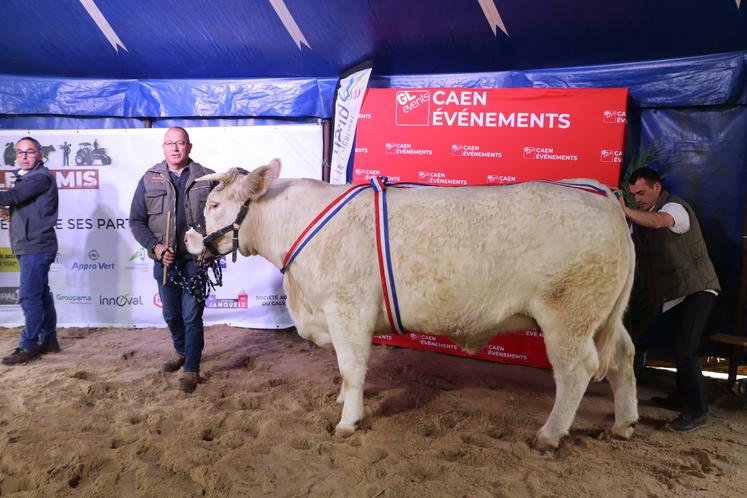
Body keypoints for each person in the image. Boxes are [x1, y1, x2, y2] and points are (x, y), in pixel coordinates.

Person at [619, 167, 720, 432]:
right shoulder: (641, 218)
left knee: (685, 350)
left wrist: (625, 211)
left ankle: (698, 411)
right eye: (633, 195)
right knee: (679, 347)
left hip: (697, 290)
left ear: (657, 188)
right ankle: (681, 398)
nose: (637, 198)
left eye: (642, 192)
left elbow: (659, 221)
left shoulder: (675, 209)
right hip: (674, 294)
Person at [129, 127, 214, 393]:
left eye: (180, 143)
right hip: (164, 261)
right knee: (171, 314)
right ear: (163, 147)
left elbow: (218, 220)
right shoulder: (150, 178)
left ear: (189, 147)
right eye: (170, 143)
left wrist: (208, 251)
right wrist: (155, 248)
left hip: (194, 261)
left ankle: (192, 368)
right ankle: (182, 351)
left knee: (191, 316)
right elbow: (136, 220)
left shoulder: (206, 178)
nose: (175, 148)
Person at [0, 136, 59, 365]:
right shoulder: (27, 177)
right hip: (31, 245)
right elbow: (23, 206)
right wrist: (8, 213)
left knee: (29, 297)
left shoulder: (40, 177)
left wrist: (8, 205)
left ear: (40, 154)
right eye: (20, 152)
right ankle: (50, 340)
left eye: (30, 151)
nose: (24, 156)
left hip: (36, 246)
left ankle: (28, 345)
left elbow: (13, 197)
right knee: (41, 294)